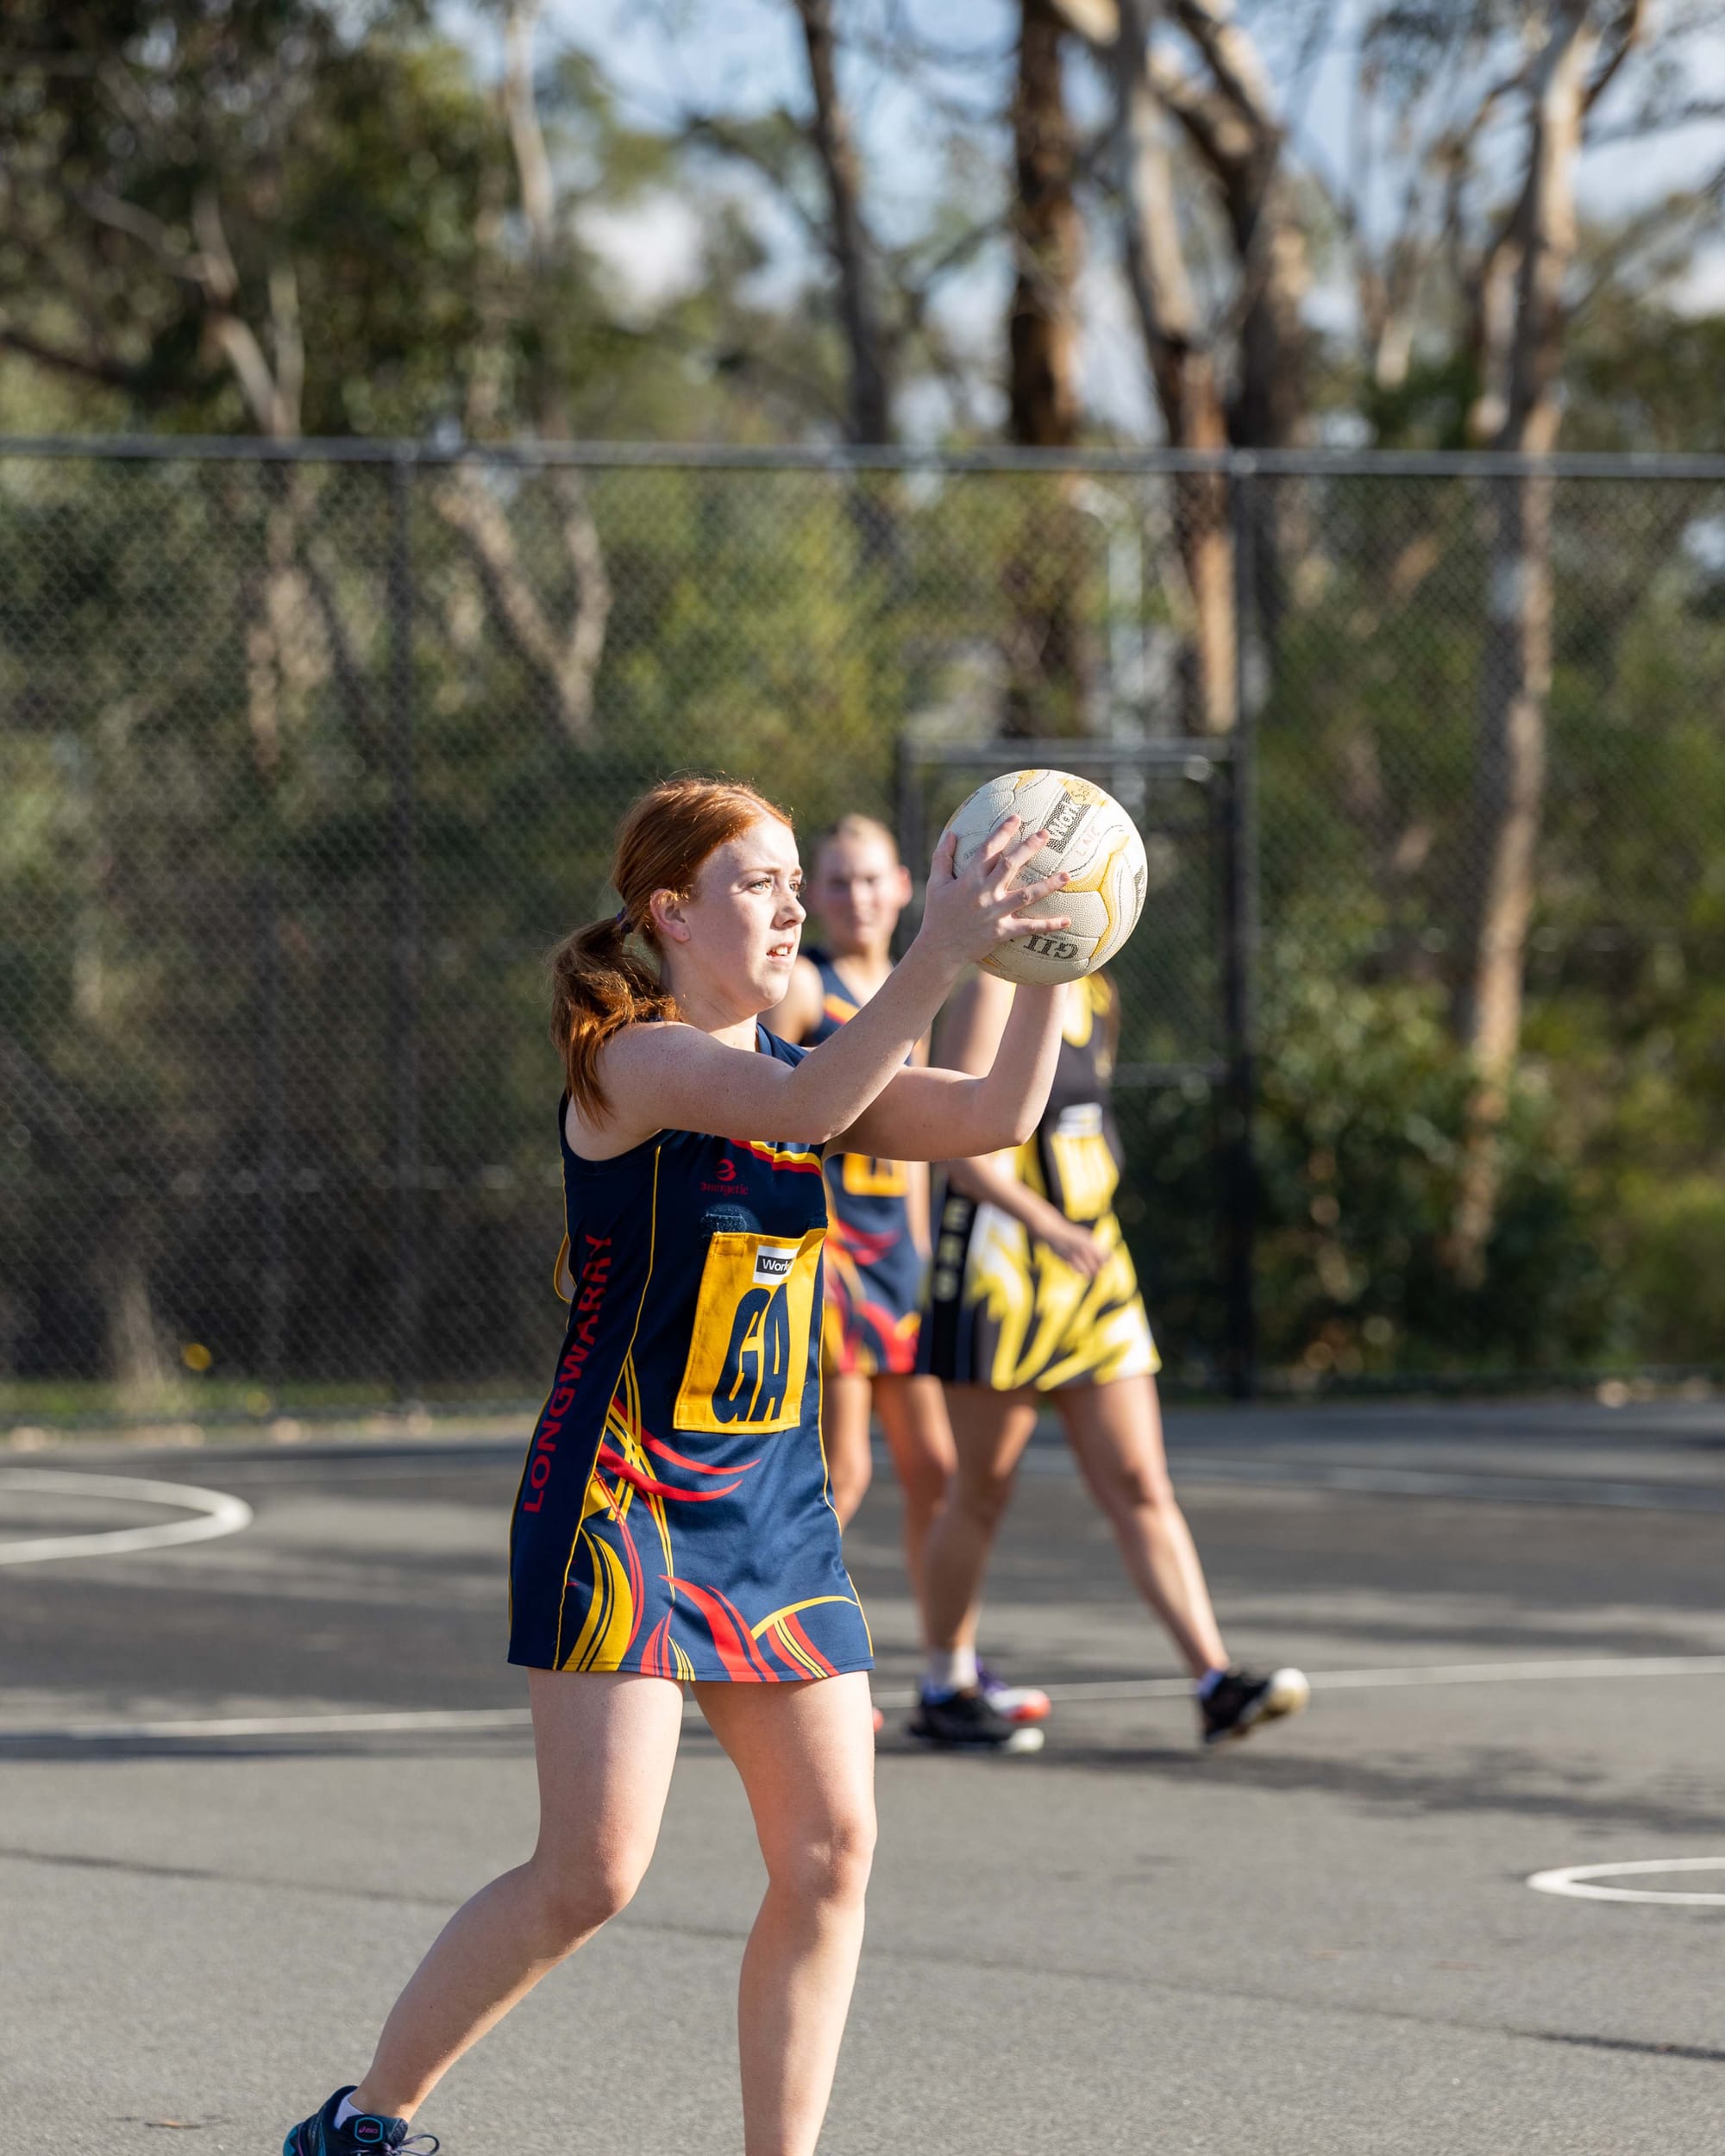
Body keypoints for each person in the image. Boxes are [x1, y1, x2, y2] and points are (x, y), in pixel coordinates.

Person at [282, 776, 1074, 2156]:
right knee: (592, 1872)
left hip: (771, 1508)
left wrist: (1058, 946)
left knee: (833, 1858)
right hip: (621, 1498)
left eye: (791, 883)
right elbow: (817, 1104)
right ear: (672, 914)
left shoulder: (810, 1063)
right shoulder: (641, 1064)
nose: (788, 907)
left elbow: (1002, 1111)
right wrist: (938, 951)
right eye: (760, 885)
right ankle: (364, 2122)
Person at [910, 966, 1309, 1755]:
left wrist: (1077, 1231)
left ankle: (1214, 1681)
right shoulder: (995, 983)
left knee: (1139, 1481)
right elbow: (959, 1149)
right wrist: (1048, 1226)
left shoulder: (1097, 990)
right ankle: (945, 1683)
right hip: (1002, 1267)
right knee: (983, 1490)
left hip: (1093, 1262)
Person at [768, 814, 1051, 1733]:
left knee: (933, 1470)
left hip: (900, 1266)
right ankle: (788, 1650)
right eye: (836, 882)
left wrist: (927, 1261)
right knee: (844, 1472)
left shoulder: (910, 993)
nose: (853, 897)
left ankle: (946, 1668)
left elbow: (935, 1145)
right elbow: (775, 1113)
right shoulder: (808, 990)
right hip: (836, 1266)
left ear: (903, 887)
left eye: (867, 880)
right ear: (818, 894)